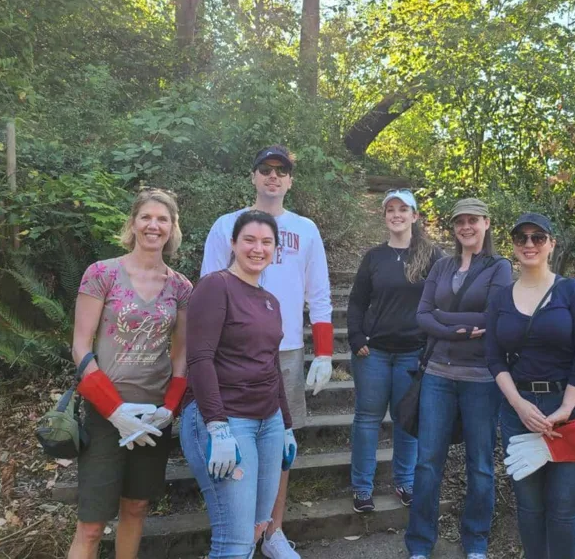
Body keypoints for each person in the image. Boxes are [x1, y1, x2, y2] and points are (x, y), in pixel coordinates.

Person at [200, 144, 333, 559]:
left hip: (287, 350)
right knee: (235, 443)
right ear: (254, 176)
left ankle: (272, 529)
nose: (273, 176)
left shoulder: (306, 229)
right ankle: (235, 530)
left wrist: (324, 353)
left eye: (281, 170)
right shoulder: (227, 225)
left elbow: (320, 294)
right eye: (265, 169)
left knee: (279, 447)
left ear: (290, 180)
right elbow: (208, 284)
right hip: (232, 351)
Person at [68, 189, 192, 559]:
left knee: (136, 508)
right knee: (91, 524)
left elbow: (182, 354)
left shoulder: (181, 287)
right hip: (106, 414)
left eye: (163, 219)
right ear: (133, 223)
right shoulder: (102, 274)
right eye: (146, 217)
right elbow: (80, 346)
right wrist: (113, 410)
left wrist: (169, 408)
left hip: (153, 415)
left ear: (172, 228)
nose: (154, 225)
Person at [485, 212, 575, 559]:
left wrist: (565, 409)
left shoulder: (571, 291)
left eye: (538, 237)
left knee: (563, 508)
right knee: (530, 507)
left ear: (552, 244)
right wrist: (519, 405)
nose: (529, 244)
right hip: (519, 411)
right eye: (521, 238)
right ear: (513, 245)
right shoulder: (500, 299)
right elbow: (494, 358)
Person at [405, 198, 513, 559]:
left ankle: (476, 542)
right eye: (459, 222)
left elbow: (493, 317)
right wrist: (460, 329)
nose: (466, 227)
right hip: (436, 374)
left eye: (473, 220)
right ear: (453, 228)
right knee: (427, 461)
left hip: (481, 379)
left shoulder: (499, 267)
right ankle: (420, 544)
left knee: (480, 464)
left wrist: (444, 320)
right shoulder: (442, 265)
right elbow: (422, 315)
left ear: (486, 223)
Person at [182, 210, 293, 559]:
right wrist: (216, 426)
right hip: (228, 421)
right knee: (233, 540)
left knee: (259, 526)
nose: (257, 248)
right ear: (232, 243)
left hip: (269, 421)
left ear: (276, 250)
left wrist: (286, 426)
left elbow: (271, 364)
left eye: (266, 242)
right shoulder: (216, 286)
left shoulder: (270, 301)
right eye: (249, 240)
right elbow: (199, 358)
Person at [347, 189, 443, 513]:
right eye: (391, 210)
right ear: (385, 216)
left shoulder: (432, 257)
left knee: (407, 421)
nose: (397, 214)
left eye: (404, 209)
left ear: (415, 216)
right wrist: (356, 336)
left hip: (412, 354)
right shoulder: (374, 257)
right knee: (367, 420)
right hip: (372, 354)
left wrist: (431, 347)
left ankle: (406, 483)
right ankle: (362, 488)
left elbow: (443, 303)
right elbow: (357, 301)